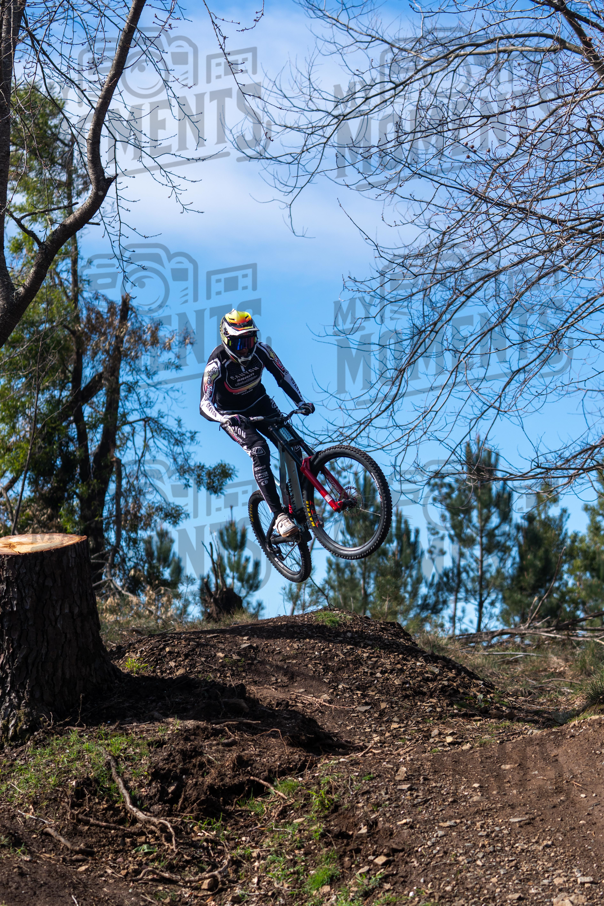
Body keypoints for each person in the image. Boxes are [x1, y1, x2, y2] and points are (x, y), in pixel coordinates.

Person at [200, 309, 315, 537]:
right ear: (227, 341)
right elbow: (204, 403)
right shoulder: (216, 364)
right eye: (239, 342)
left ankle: (301, 505)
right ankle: (279, 515)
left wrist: (301, 401)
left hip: (260, 402)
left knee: (294, 446)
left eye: (250, 340)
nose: (245, 348)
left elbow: (283, 376)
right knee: (260, 450)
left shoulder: (263, 351)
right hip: (233, 415)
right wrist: (224, 418)